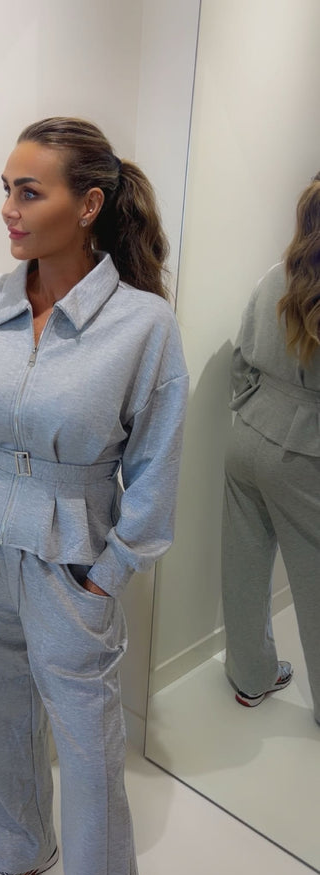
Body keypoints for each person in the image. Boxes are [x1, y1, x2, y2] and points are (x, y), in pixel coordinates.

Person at [0, 116, 188, 875]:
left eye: (28, 192)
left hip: (72, 558)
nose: (8, 208)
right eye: (6, 189)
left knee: (89, 752)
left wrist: (112, 570)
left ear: (88, 204)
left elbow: (155, 464)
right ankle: (14, 849)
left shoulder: (142, 326)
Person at [222, 173, 320, 724]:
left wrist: (259, 408)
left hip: (248, 432)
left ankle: (250, 677)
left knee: (243, 561)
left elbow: (240, 358)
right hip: (306, 452)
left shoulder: (273, 277)